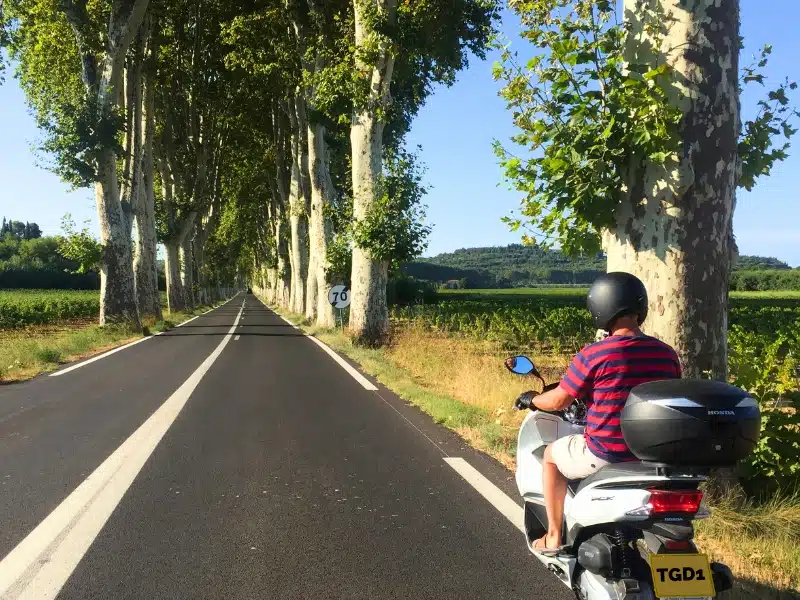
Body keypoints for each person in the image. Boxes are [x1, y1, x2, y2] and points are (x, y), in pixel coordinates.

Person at [514, 272, 681, 555]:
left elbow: (559, 400)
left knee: (552, 457)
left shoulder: (596, 353)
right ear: (641, 308)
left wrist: (532, 399)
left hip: (606, 453)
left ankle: (554, 536)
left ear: (600, 308)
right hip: (654, 455)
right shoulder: (666, 354)